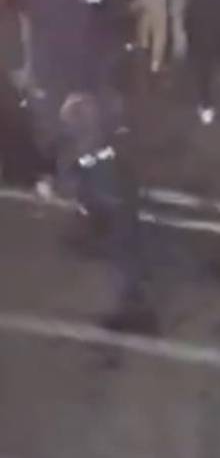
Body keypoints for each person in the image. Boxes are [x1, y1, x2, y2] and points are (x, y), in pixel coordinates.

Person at [56, 92, 156, 333]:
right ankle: (134, 290)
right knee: (126, 248)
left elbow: (77, 181)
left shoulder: (81, 151)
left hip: (108, 208)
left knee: (120, 254)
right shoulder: (106, 140)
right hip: (122, 202)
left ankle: (133, 302)